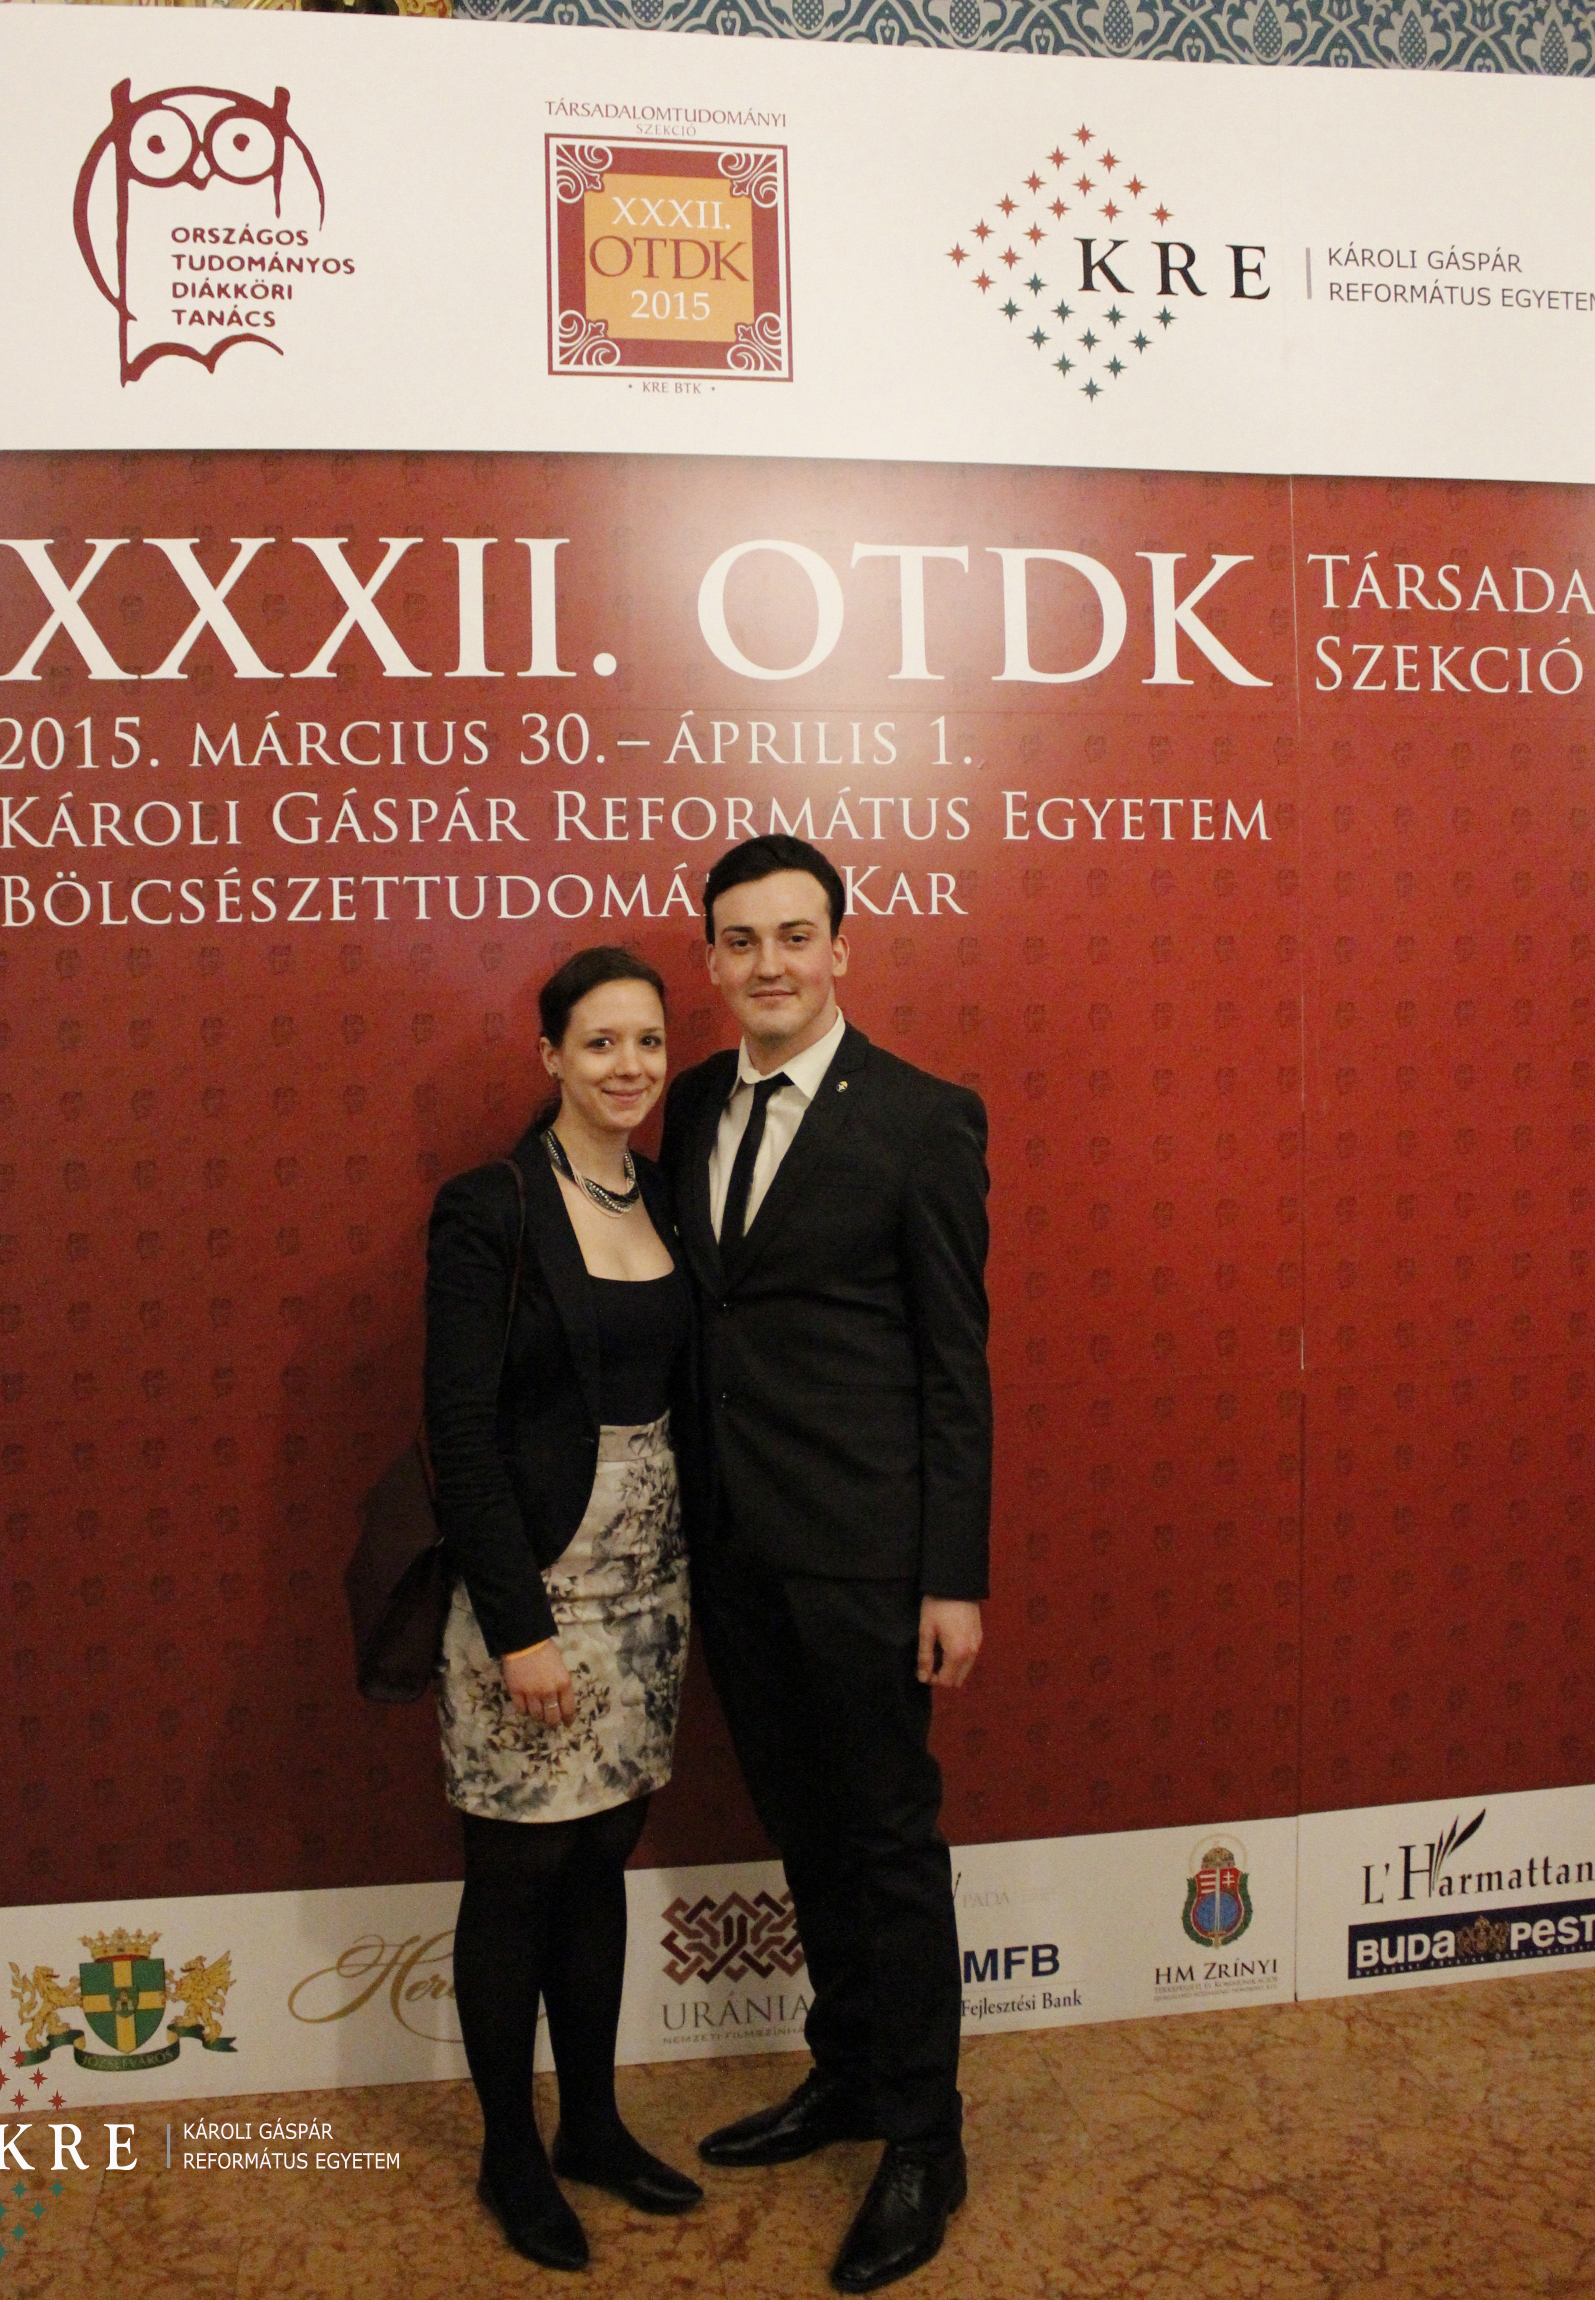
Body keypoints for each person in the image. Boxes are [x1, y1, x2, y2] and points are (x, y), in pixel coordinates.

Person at [660, 834, 992, 2296]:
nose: (770, 964)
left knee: (884, 1842)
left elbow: (954, 1366)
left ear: (841, 949)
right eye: (741, 941)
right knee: (801, 1826)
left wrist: (951, 1576)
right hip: (733, 1549)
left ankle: (925, 2138)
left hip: (865, 1556)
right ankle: (848, 2073)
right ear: (710, 962)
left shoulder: (923, 1119)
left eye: (795, 936)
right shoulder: (687, 1106)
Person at [425, 945, 702, 2273]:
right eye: (599, 1042)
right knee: (518, 1874)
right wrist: (520, 1628)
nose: (628, 1066)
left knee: (601, 1860)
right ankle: (510, 2153)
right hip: (532, 1594)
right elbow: (460, 1434)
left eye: (646, 1041)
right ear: (549, 1056)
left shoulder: (668, 1196)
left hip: (653, 1594)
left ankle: (591, 2125)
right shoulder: (491, 1207)